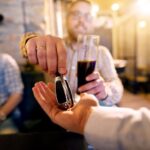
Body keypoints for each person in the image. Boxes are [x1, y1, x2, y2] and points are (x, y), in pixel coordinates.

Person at [20, 0, 123, 106]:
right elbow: (26, 53)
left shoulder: (102, 52)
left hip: (92, 113)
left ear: (93, 22)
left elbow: (115, 83)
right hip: (58, 114)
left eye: (87, 16)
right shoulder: (53, 47)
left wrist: (106, 90)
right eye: (76, 15)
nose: (81, 21)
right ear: (66, 19)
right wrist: (29, 41)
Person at [32, 81, 150, 150]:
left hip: (92, 122)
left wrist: (106, 91)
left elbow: (117, 87)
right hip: (72, 122)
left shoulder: (102, 52)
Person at [0, 53, 24, 134]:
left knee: (8, 143)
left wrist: (1, 115)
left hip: (6, 116)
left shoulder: (5, 61)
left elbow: (17, 95)